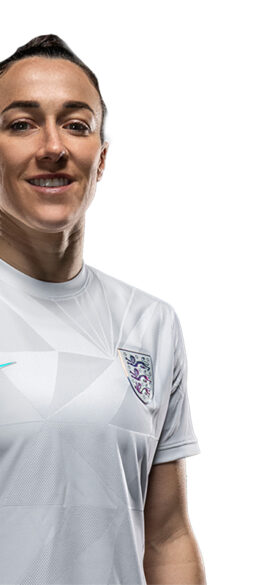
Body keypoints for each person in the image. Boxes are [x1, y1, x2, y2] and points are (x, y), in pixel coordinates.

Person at [0, 34, 206, 584]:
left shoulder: (151, 324)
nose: (52, 146)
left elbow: (167, 534)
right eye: (21, 124)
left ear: (102, 158)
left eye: (76, 124)